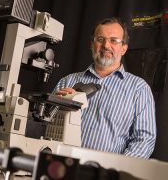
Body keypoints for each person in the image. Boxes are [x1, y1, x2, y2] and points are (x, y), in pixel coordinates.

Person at [54, 17, 156, 158]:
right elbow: (44, 125)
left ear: (124, 48)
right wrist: (58, 107)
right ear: (92, 44)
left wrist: (116, 170)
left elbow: (144, 140)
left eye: (114, 40)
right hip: (63, 167)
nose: (106, 46)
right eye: (100, 39)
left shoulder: (139, 89)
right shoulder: (67, 82)